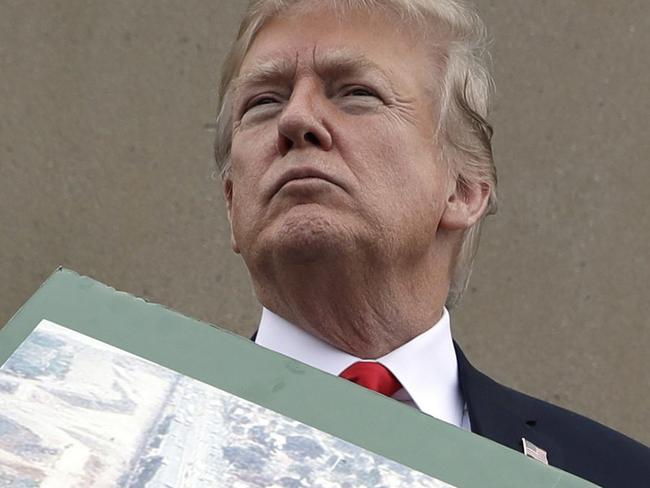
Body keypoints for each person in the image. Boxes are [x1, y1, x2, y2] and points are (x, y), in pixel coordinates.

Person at [213, 0, 650, 486]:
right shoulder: (125, 431)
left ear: (462, 190)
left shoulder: (617, 475)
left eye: (356, 93)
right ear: (232, 203)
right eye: (263, 102)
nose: (295, 119)